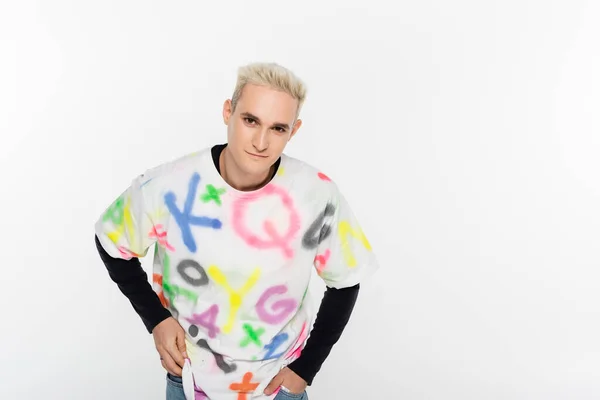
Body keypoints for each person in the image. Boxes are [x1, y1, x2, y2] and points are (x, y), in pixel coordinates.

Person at [94, 62, 379, 400]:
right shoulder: (168, 186)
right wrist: (156, 319)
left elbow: (346, 280)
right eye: (250, 120)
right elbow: (111, 240)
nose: (261, 141)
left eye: (277, 128)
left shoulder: (316, 193)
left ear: (294, 131)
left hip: (277, 386)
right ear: (228, 112)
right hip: (191, 381)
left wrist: (305, 370)